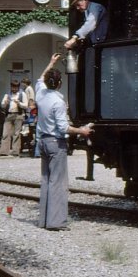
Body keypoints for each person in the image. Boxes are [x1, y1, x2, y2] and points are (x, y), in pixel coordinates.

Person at [36, 53, 92, 231]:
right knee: (58, 183)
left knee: (46, 180)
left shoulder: (41, 94)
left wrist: (51, 62)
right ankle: (56, 222)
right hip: (55, 142)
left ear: (46, 82)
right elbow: (63, 128)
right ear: (60, 83)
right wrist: (82, 131)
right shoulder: (57, 102)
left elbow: (39, 78)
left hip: (42, 141)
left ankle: (44, 220)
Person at [0, 80, 28, 157]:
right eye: (13, 87)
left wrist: (19, 103)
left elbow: (26, 105)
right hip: (9, 115)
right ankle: (4, 151)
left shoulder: (22, 94)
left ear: (18, 87)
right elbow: (2, 105)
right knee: (5, 133)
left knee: (16, 134)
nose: (14, 89)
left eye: (15, 87)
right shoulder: (7, 94)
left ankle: (15, 151)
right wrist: (5, 103)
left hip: (18, 115)